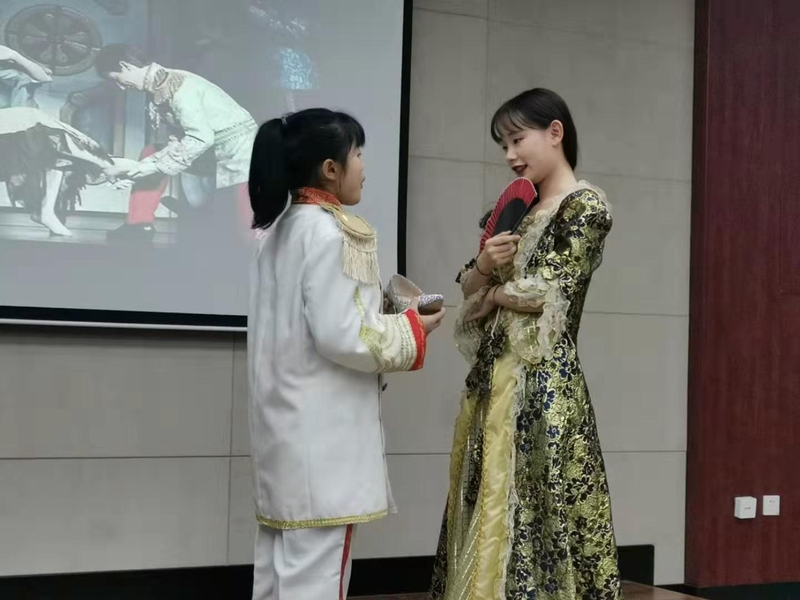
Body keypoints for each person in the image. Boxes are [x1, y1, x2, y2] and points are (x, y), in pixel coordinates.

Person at [430, 88, 623, 599]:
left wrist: (492, 292)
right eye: (504, 145)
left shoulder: (584, 206)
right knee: (488, 500)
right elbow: (467, 286)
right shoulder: (519, 207)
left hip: (544, 382)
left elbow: (546, 291)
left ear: (555, 132)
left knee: (542, 509)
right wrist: (484, 267)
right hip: (494, 378)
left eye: (517, 140)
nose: (510, 155)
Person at [247, 108, 446, 599]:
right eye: (357, 154)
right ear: (330, 169)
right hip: (322, 443)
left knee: (278, 578)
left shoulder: (279, 230)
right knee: (316, 581)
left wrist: (385, 313)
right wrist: (412, 327)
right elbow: (344, 335)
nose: (363, 165)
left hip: (285, 435)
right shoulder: (332, 231)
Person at [94, 44, 256, 241]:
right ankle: (139, 224)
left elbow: (200, 138)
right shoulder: (159, 86)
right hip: (212, 149)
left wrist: (153, 167)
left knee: (246, 232)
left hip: (241, 151)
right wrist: (137, 170)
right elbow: (181, 139)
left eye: (116, 78)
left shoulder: (179, 87)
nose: (120, 86)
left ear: (125, 66)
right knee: (151, 152)